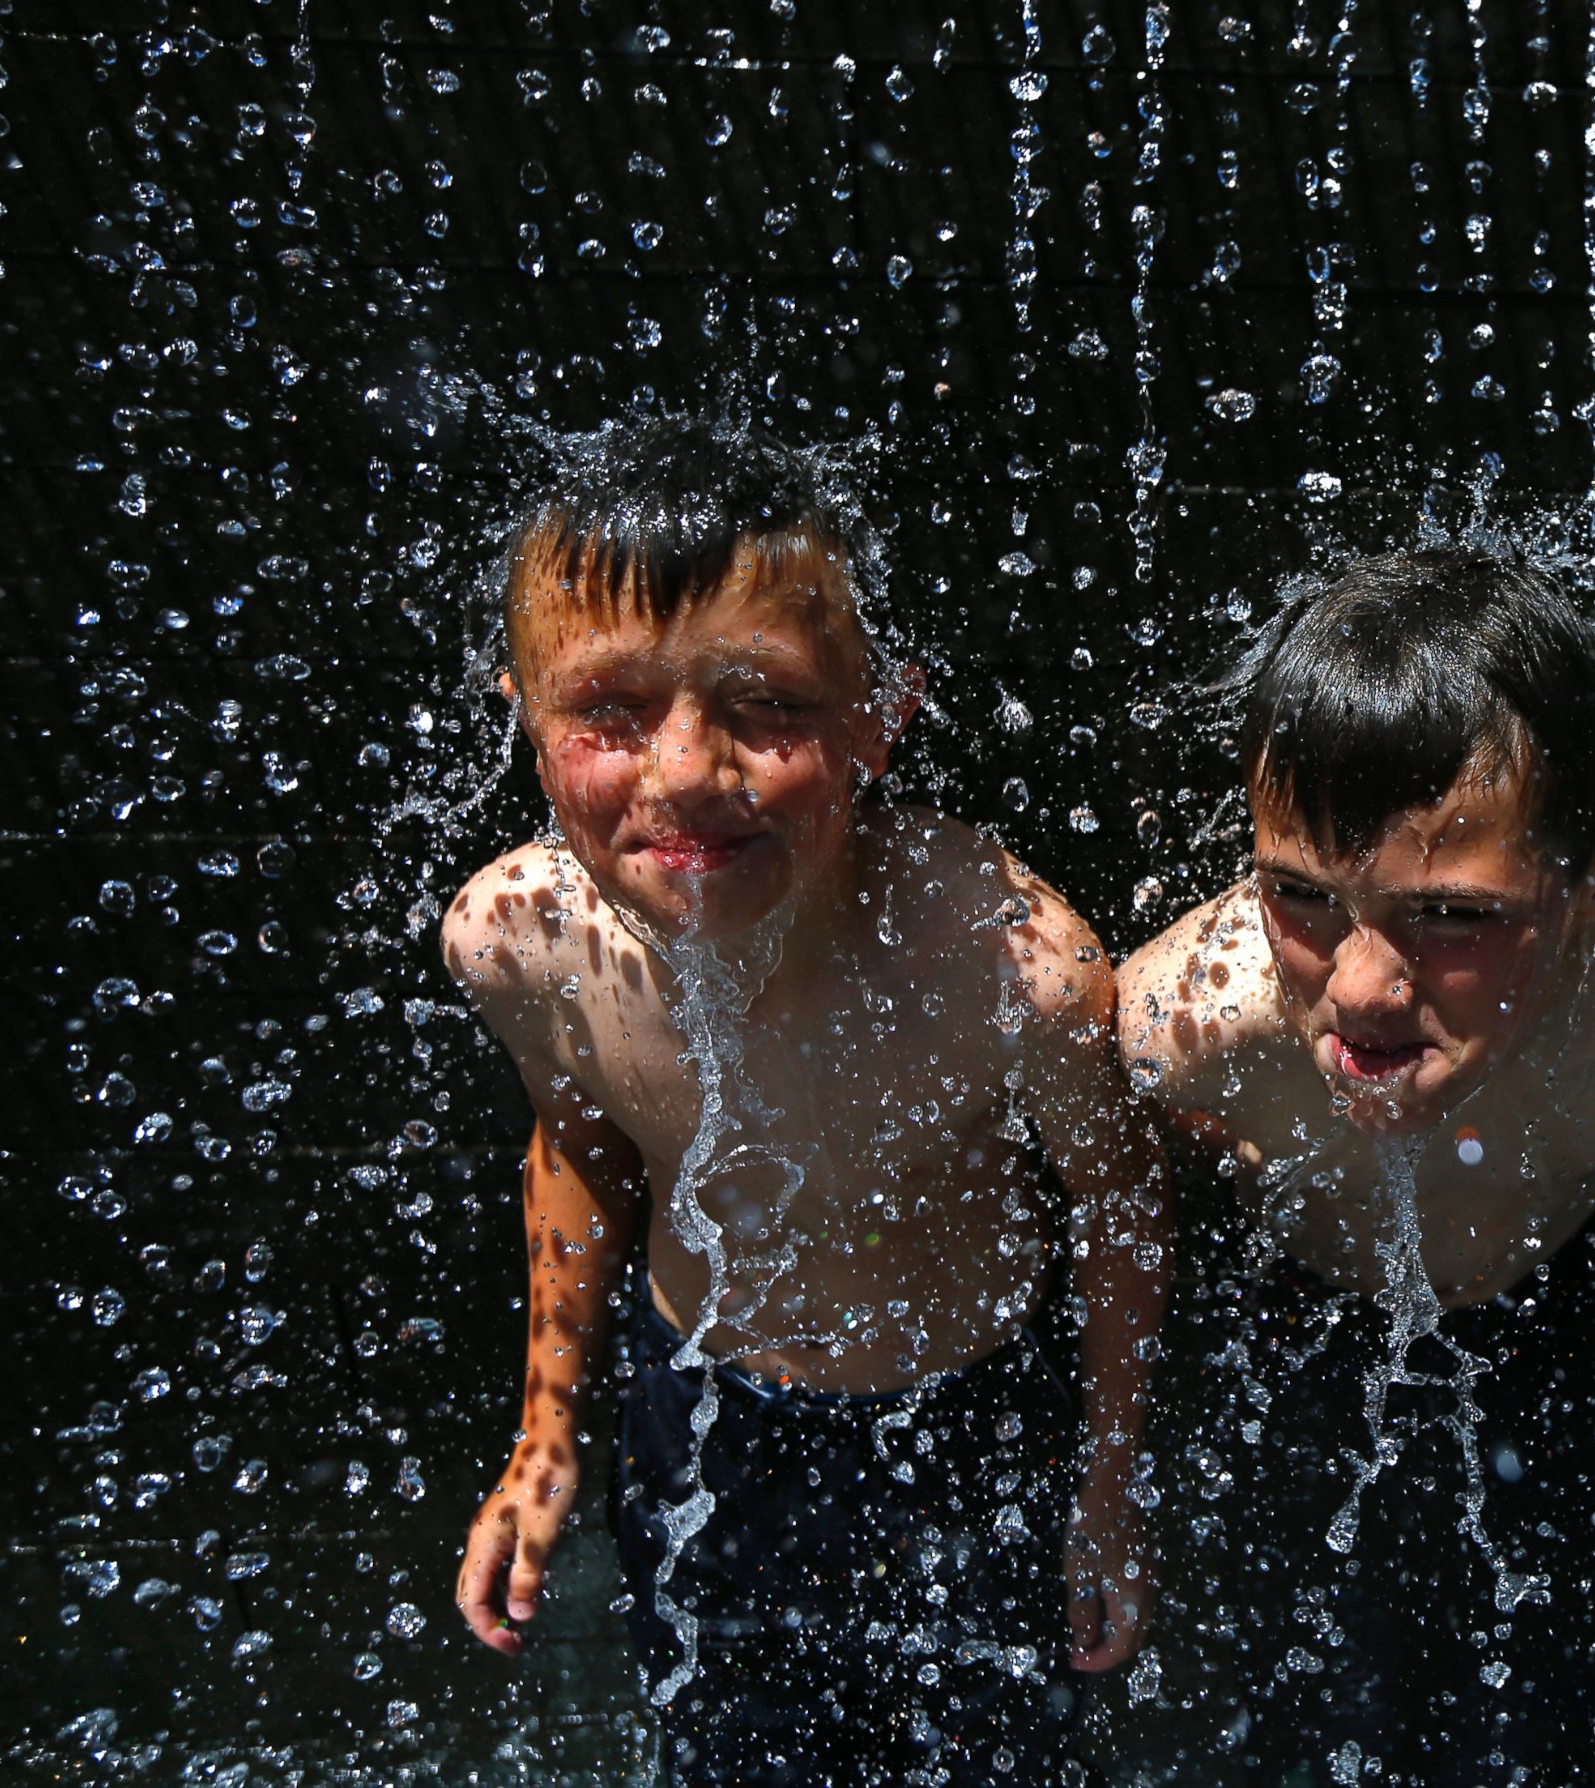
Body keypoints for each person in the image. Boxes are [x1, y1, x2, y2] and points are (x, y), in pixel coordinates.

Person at [442, 419, 1165, 1786]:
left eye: (767, 705)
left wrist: (1108, 1482)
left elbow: (1120, 1202)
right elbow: (580, 1138)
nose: (683, 773)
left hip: (974, 1412)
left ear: (882, 717)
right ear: (524, 723)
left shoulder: (1008, 970)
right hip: (701, 1395)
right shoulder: (519, 939)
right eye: (607, 711)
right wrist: (545, 1432)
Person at [1115, 545, 1595, 1782]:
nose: (1366, 987)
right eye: (1302, 898)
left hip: (1583, 1302)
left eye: (1454, 915)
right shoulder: (1188, 1029)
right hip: (1306, 1328)